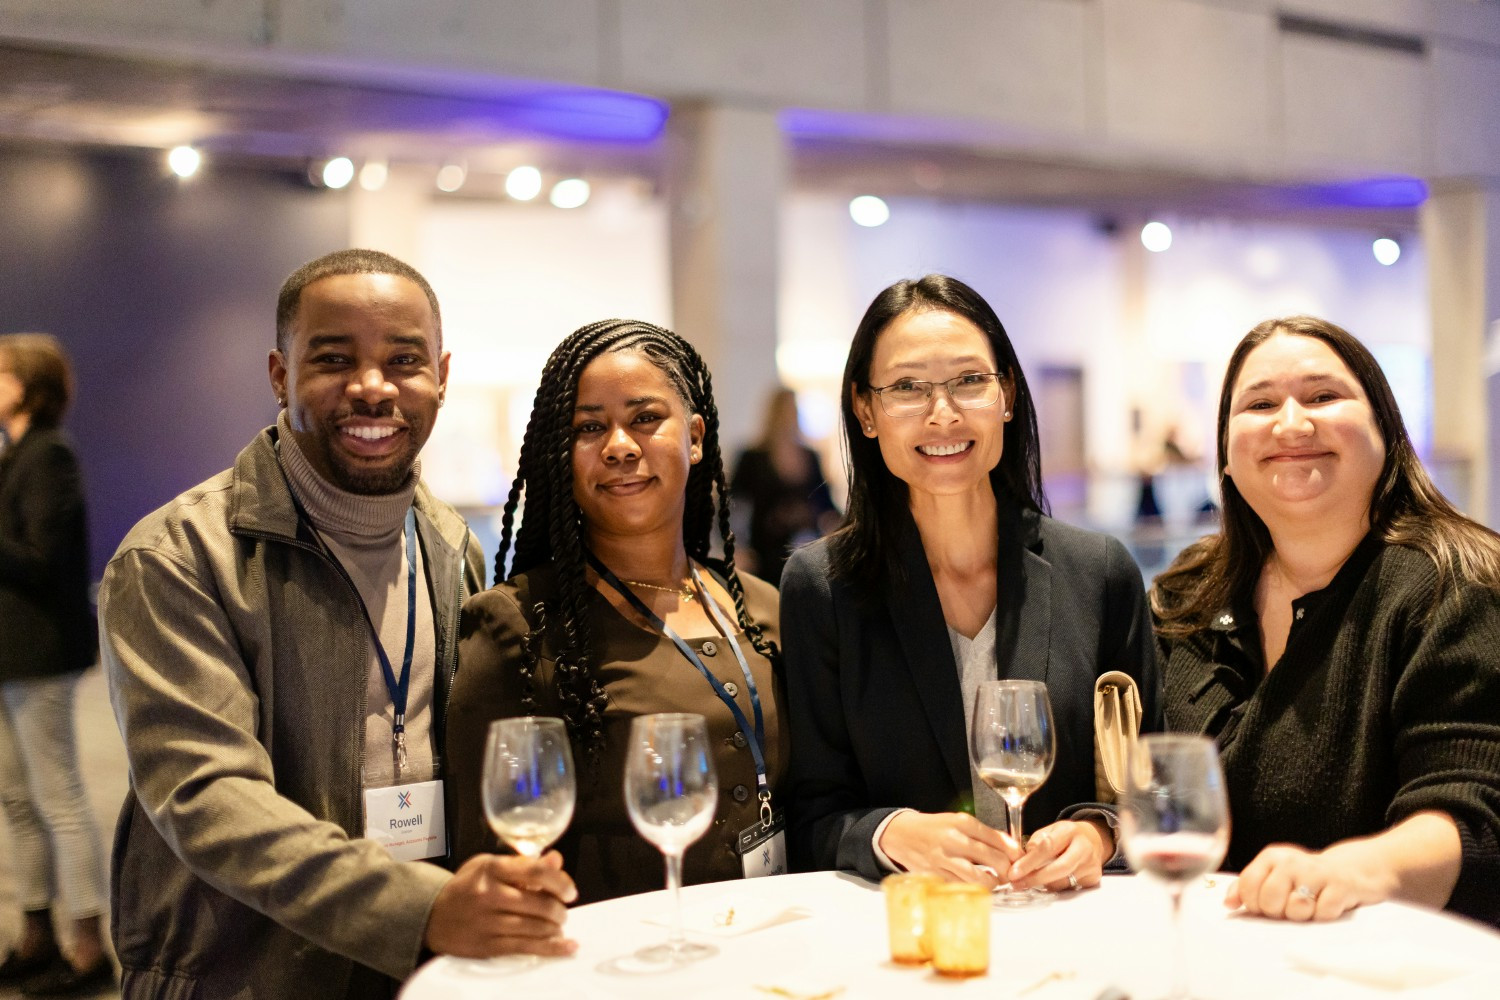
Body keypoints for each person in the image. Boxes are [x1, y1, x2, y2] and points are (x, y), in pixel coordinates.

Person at [99, 250, 578, 1000]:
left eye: (404, 361)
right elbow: (206, 797)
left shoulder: (450, 544)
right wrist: (419, 908)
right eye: (333, 360)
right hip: (244, 973)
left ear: (441, 377)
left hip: (420, 966)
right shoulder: (177, 556)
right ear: (280, 375)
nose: (372, 388)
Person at [781, 274, 1159, 890]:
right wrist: (891, 832)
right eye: (907, 387)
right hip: (911, 927)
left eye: (969, 380)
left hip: (1069, 919)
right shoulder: (822, 585)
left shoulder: (1100, 572)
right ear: (865, 410)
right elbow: (811, 813)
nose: (943, 413)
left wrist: (1100, 834)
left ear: (1006, 394)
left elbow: (1155, 779)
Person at [1151, 315, 1500, 926]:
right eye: (1260, 404)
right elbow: (1142, 788)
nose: (1291, 424)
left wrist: (1352, 872)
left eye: (1322, 396)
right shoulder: (1189, 594)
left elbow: (1474, 815)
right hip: (1209, 944)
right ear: (1226, 455)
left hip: (1385, 956)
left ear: (1386, 432)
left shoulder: (1456, 583)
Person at [448, 319, 786, 904]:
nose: (620, 446)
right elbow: (492, 868)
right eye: (589, 427)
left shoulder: (765, 607)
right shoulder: (519, 625)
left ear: (695, 437)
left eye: (645, 418)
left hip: (772, 938)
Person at [0, 334, 112, 997]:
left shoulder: (50, 455)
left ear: (27, 386)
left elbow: (41, 558)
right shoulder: (14, 454)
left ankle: (89, 950)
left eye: (1, 373)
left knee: (59, 799)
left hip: (40, 654)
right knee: (17, 800)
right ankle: (36, 936)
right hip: (10, 655)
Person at [730, 386, 839, 583]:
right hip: (762, 553)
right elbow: (735, 507)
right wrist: (737, 548)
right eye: (787, 409)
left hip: (805, 549)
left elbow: (826, 506)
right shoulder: (752, 458)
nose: (791, 415)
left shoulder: (810, 456)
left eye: (794, 409)